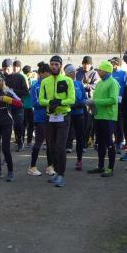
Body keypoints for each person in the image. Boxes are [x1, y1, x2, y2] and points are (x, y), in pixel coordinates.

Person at [38, 55, 75, 187]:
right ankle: (56, 172)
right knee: (52, 147)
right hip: (50, 117)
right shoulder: (44, 81)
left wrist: (59, 102)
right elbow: (41, 100)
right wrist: (50, 102)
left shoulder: (68, 80)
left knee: (60, 146)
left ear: (60, 66)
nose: (54, 66)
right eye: (52, 64)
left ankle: (61, 175)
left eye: (56, 64)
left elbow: (72, 99)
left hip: (63, 117)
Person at [86, 61, 120, 177]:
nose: (98, 72)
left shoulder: (113, 83)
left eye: (100, 70)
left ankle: (110, 168)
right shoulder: (100, 83)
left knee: (109, 142)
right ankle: (100, 166)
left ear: (106, 71)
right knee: (100, 142)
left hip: (108, 117)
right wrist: (92, 105)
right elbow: (96, 98)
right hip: (98, 116)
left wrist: (95, 101)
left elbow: (113, 100)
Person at [28, 63, 53, 176]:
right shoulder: (35, 86)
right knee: (39, 142)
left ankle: (50, 166)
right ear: (41, 74)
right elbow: (34, 103)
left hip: (50, 117)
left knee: (50, 142)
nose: (49, 76)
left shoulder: (50, 85)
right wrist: (49, 103)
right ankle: (32, 167)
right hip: (40, 118)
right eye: (47, 74)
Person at [65, 64, 87, 171]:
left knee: (80, 137)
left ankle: (79, 160)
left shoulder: (79, 83)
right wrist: (70, 104)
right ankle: (61, 160)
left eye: (74, 72)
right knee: (65, 137)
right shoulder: (64, 84)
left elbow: (84, 98)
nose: (73, 74)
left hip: (79, 113)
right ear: (67, 74)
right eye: (71, 72)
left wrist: (79, 104)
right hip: (67, 114)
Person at [5, 59, 29, 151]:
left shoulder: (20, 77)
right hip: (7, 106)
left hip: (18, 105)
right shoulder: (2, 78)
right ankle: (7, 143)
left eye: (8, 68)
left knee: (18, 124)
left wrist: (13, 91)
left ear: (11, 67)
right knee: (8, 125)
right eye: (4, 68)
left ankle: (19, 140)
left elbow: (26, 92)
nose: (6, 70)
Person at [77, 55, 100, 146]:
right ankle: (79, 140)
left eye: (87, 64)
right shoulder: (78, 72)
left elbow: (96, 85)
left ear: (90, 65)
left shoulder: (94, 73)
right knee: (79, 122)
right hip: (79, 100)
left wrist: (86, 86)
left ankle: (85, 141)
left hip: (89, 101)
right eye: (84, 64)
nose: (86, 66)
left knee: (88, 122)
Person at [109, 57, 127, 153]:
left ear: (117, 64)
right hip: (111, 101)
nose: (111, 64)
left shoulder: (123, 73)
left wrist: (124, 99)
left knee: (120, 123)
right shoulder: (110, 74)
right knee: (113, 122)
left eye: (112, 63)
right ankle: (114, 141)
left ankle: (119, 142)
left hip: (121, 102)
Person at [21, 65, 35, 147]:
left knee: (31, 124)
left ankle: (28, 141)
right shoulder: (23, 81)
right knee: (25, 124)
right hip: (25, 105)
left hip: (31, 106)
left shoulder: (33, 81)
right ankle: (22, 141)